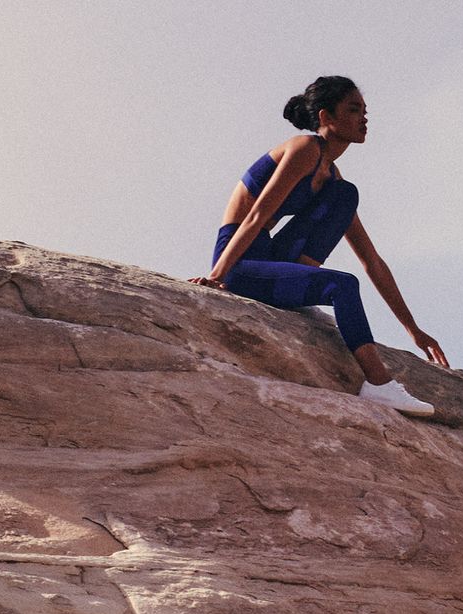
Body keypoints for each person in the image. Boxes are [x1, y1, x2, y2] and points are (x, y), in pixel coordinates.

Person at [191, 75, 448, 415]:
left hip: (271, 255)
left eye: (365, 111)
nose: (364, 118)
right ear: (327, 117)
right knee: (342, 286)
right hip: (239, 259)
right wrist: (217, 275)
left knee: (346, 195)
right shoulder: (304, 149)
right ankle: (379, 385)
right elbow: (255, 217)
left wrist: (413, 329)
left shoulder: (331, 175)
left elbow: (372, 260)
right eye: (354, 110)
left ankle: (299, 281)